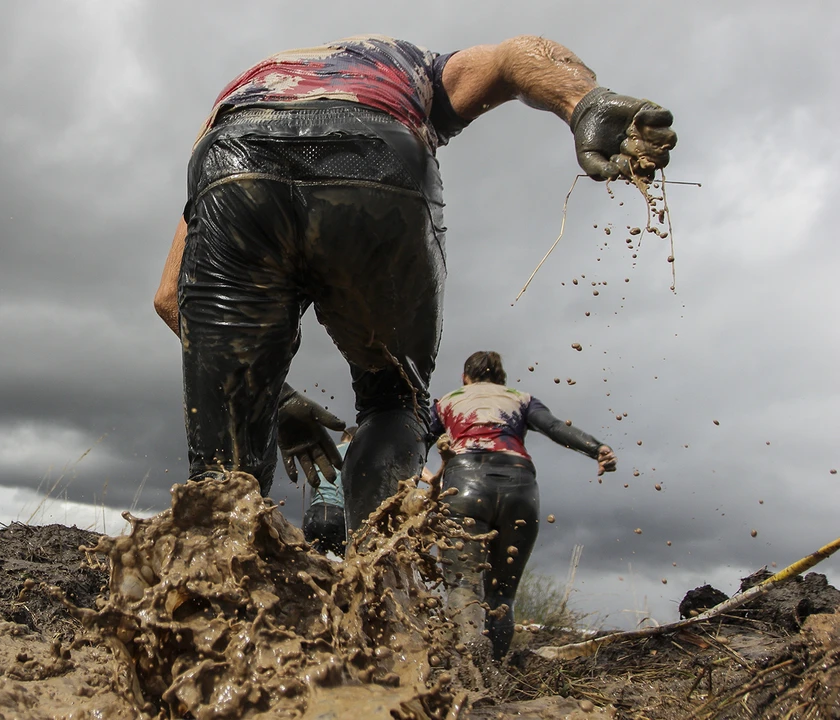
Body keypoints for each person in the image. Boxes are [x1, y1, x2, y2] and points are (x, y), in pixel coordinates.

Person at [152, 35, 673, 537]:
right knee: (393, 400)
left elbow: (172, 300)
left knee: (227, 467)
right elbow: (518, 55)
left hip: (233, 159)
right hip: (375, 151)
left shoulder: (240, 95)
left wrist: (278, 400)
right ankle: (373, 579)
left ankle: (215, 586)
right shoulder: (405, 61)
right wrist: (584, 102)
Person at [430, 351, 616, 660]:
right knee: (502, 594)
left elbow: (416, 437)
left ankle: (470, 668)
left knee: (463, 585)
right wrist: (597, 448)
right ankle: (498, 672)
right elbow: (554, 427)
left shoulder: (447, 401)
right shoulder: (521, 398)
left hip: (463, 483)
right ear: (501, 378)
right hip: (520, 488)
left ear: (465, 378)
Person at [303, 425, 357, 556]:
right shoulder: (355, 453)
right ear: (355, 439)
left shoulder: (325, 455)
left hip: (312, 516)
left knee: (310, 565)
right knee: (354, 566)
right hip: (336, 516)